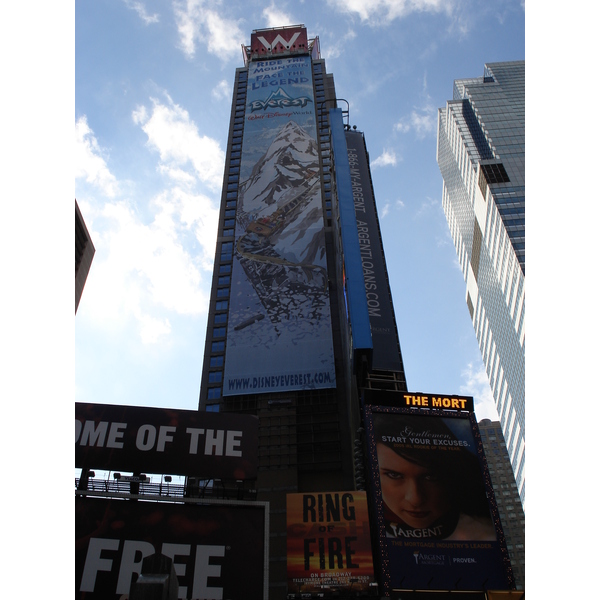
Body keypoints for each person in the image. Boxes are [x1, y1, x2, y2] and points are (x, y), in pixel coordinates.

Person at [373, 412, 496, 541]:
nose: (415, 499)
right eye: (394, 475)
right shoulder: (364, 531)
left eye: (431, 477)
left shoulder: (486, 535)